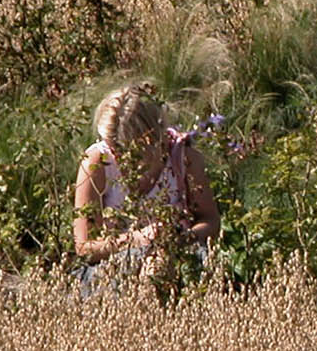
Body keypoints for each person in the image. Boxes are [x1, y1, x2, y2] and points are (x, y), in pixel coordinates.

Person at [72, 81, 219, 285]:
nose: (118, 155)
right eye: (113, 146)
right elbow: (85, 247)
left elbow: (210, 221)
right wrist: (138, 239)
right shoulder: (97, 164)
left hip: (179, 254)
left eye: (125, 148)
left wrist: (177, 238)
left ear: (152, 138)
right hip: (115, 264)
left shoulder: (184, 159)